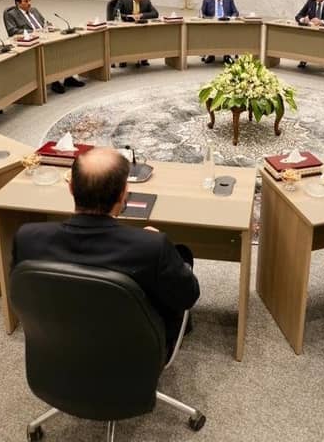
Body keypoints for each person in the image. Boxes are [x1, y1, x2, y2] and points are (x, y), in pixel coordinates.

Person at [13, 147, 199, 359]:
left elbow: (20, 295)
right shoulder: (152, 247)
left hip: (58, 348)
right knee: (181, 256)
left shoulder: (27, 239)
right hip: (133, 356)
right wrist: (156, 244)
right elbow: (188, 297)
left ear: (71, 188)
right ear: (123, 194)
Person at [4, 0, 85, 93]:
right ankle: (54, 81)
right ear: (18, 3)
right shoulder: (11, 14)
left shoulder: (34, 10)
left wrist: (50, 26)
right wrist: (34, 32)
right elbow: (12, 31)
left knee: (65, 45)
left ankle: (68, 78)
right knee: (51, 52)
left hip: (45, 36)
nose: (29, 3)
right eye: (26, 1)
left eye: (29, 0)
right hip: (31, 42)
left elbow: (44, 22)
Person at [112, 0, 159, 67]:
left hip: (140, 29)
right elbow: (115, 13)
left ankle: (143, 56)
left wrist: (142, 15)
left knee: (147, 34)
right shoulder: (123, 0)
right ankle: (123, 58)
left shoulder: (146, 1)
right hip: (126, 27)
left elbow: (155, 13)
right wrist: (128, 16)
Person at [200, 0, 240, 64]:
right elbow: (202, 14)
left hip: (226, 24)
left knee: (227, 32)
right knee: (211, 32)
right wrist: (211, 18)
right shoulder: (207, 0)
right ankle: (211, 54)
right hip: (212, 24)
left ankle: (227, 55)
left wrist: (231, 18)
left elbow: (236, 12)